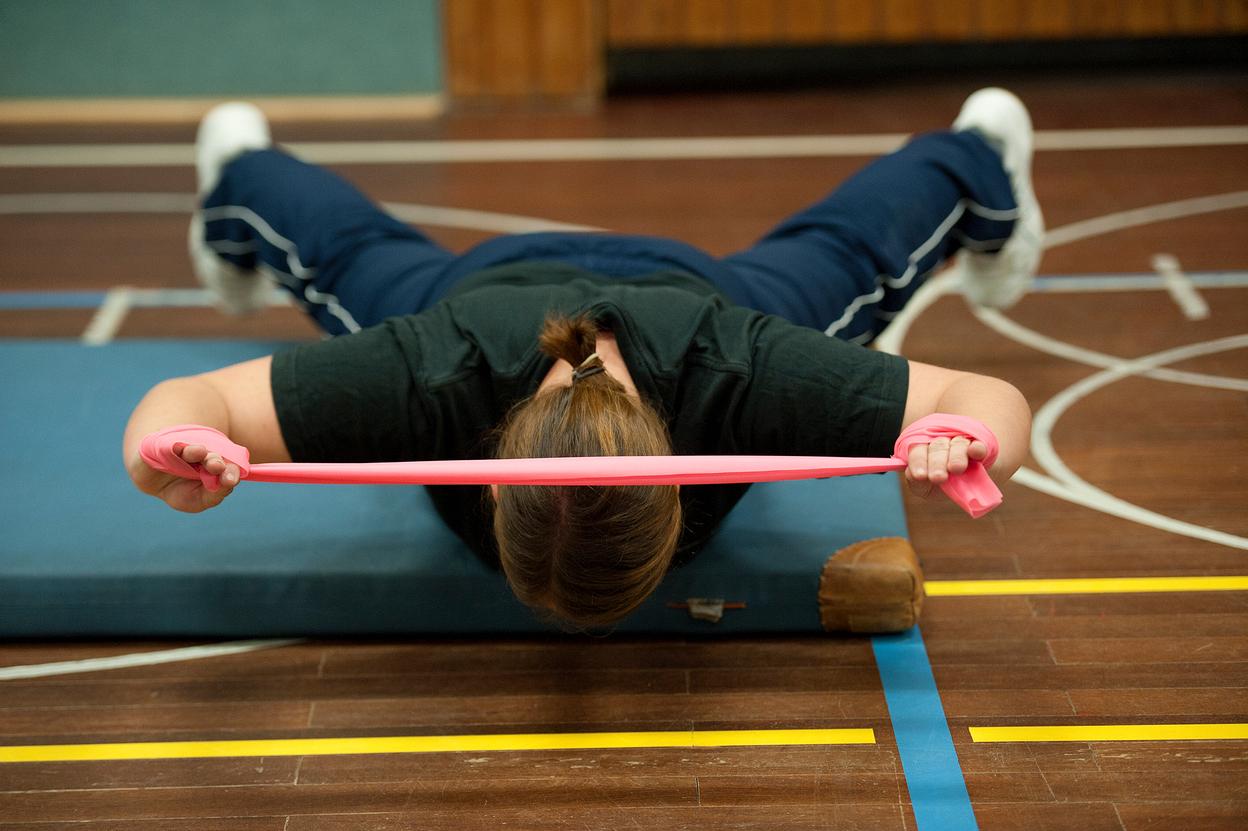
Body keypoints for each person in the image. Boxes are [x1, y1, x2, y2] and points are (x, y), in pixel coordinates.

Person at [124, 88, 1037, 628]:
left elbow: (982, 395)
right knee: (345, 257)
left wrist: (965, 428)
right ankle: (237, 169)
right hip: (499, 299)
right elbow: (194, 396)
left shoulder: (744, 375)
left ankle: (983, 151)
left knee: (852, 258)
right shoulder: (433, 375)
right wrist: (174, 441)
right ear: (488, 480)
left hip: (681, 301)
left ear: (682, 488)